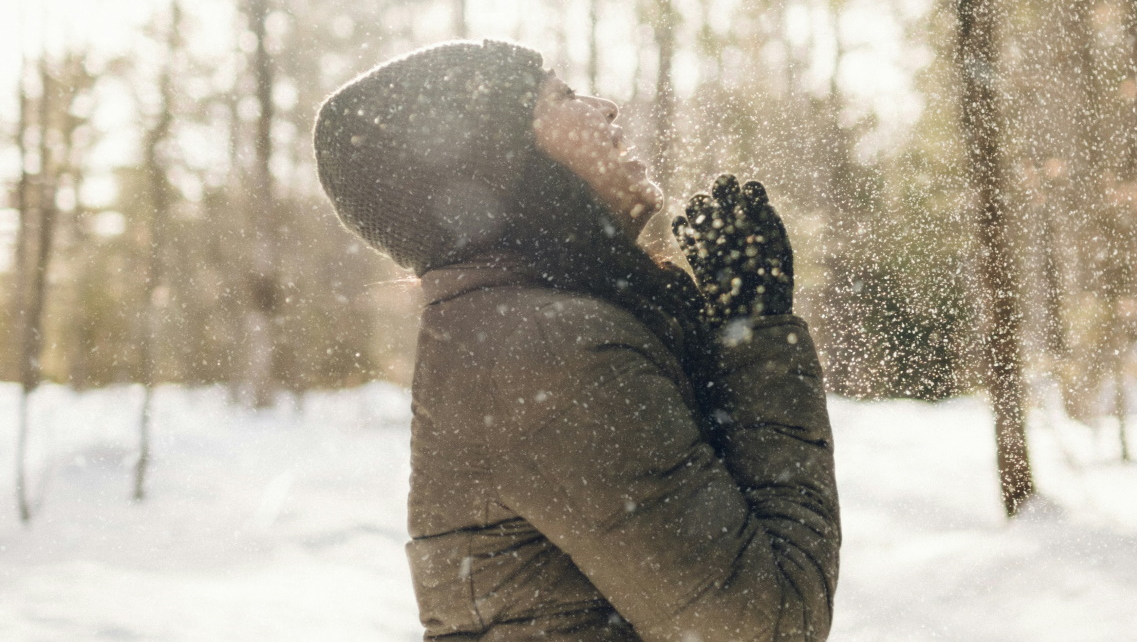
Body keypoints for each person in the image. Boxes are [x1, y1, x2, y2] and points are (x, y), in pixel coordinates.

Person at [313, 39, 839, 641]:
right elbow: (768, 624)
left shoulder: (522, 329)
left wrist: (734, 335)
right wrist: (760, 338)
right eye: (561, 96)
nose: (605, 106)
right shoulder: (546, 350)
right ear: (502, 163)